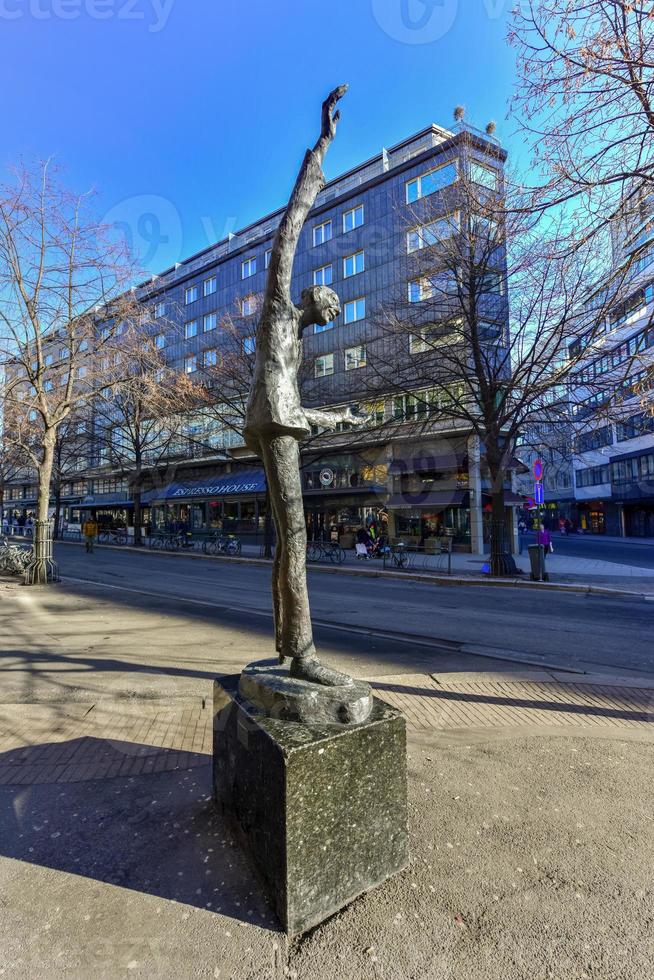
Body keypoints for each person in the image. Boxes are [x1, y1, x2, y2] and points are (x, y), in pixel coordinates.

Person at [243, 85, 367, 687]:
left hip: (277, 420)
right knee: (295, 537)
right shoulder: (277, 308)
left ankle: (288, 644)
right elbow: (287, 232)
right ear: (310, 294)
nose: (334, 310)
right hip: (275, 422)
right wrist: (320, 149)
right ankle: (305, 653)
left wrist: (339, 421)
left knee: (288, 539)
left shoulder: (293, 345)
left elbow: (293, 407)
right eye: (331, 302)